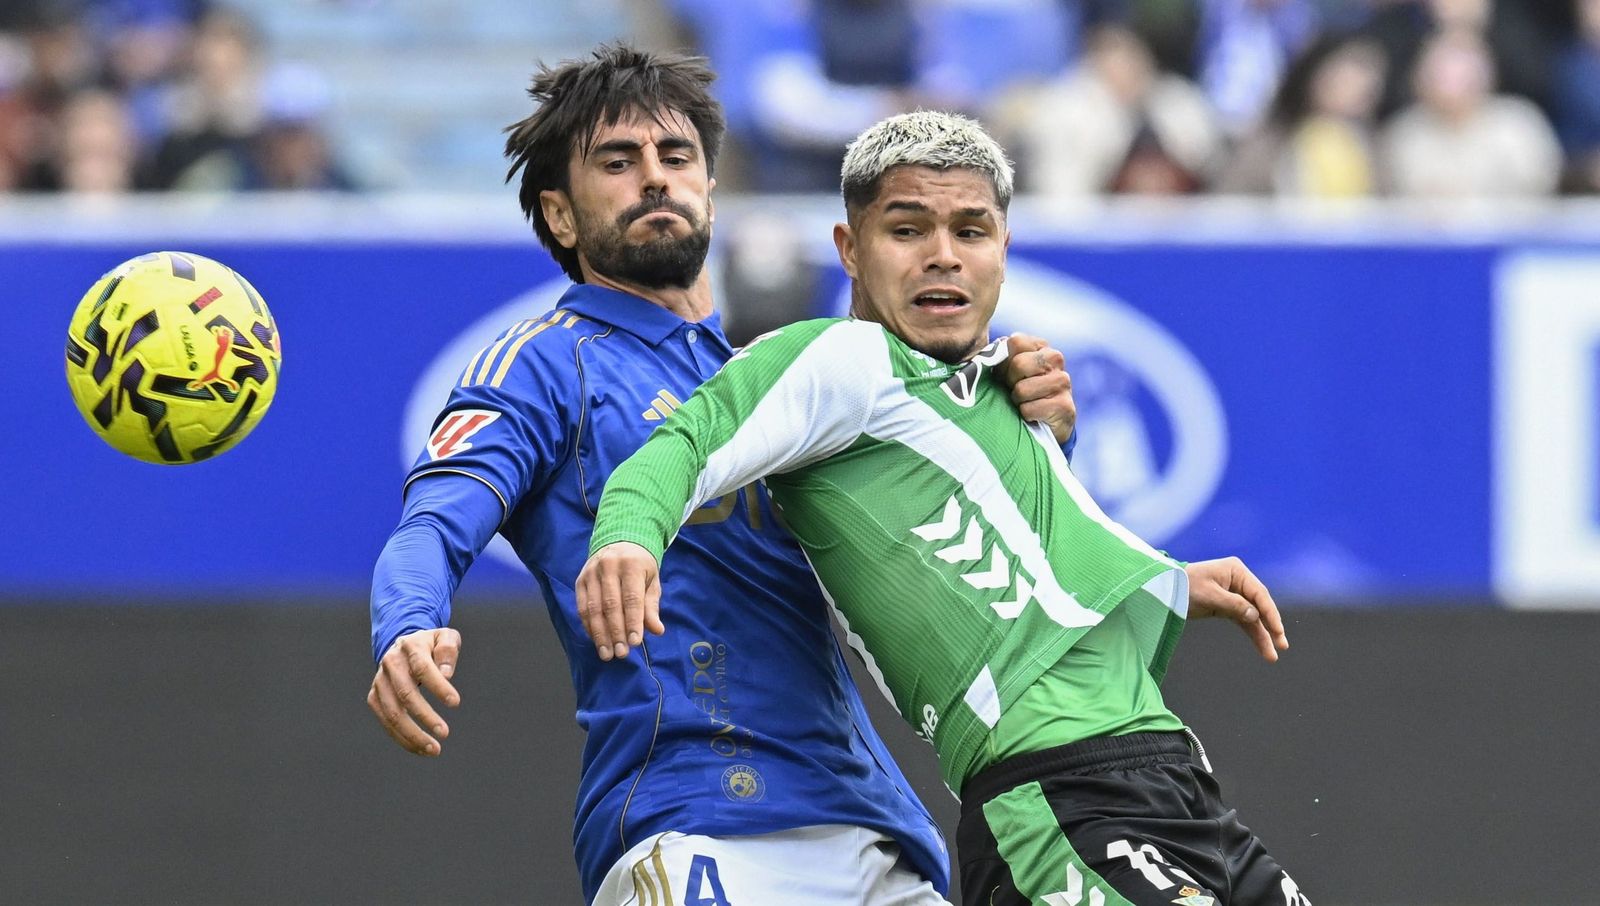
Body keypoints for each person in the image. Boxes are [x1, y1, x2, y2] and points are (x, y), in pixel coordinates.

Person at [365, 45, 1078, 906]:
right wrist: (407, 625)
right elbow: (431, 525)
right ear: (559, 215)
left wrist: (1033, 438)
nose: (654, 180)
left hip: (876, 837)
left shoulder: (790, 377)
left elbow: (966, 560)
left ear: (711, 184)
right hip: (695, 824)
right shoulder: (542, 365)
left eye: (676, 158)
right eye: (617, 163)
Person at [578, 110, 1311, 905]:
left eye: (971, 230)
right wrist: (627, 538)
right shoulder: (842, 361)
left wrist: (1161, 578)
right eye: (907, 229)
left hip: (1176, 783)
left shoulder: (994, 385)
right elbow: (684, 441)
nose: (942, 257)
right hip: (1054, 799)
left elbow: (1005, 548)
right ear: (850, 249)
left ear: (1003, 248)